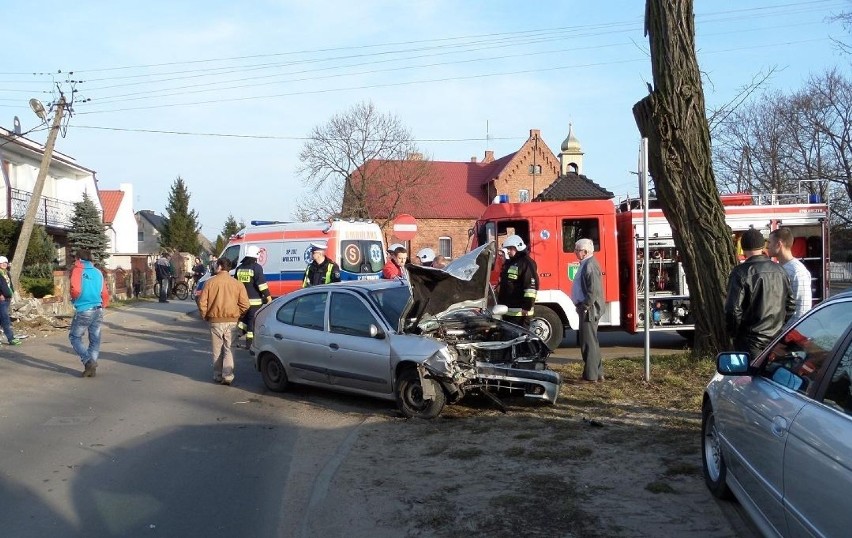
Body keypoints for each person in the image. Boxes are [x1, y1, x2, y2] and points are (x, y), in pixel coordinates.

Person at [725, 228, 795, 358]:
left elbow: (733, 310)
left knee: (749, 376)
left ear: (743, 247)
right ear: (763, 246)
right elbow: (790, 305)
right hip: (775, 339)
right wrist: (779, 327)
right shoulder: (780, 270)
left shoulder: (740, 272)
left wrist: (734, 333)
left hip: (750, 340)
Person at [198, 258, 249, 385]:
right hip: (232, 321)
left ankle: (218, 375)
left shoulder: (209, 283)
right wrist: (238, 315)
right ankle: (228, 375)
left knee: (217, 349)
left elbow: (202, 302)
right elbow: (245, 304)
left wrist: (205, 316)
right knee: (229, 348)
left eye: (216, 264)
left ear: (220, 266)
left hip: (215, 321)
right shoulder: (237, 284)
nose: (215, 266)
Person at [69, 249, 110, 378]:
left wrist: (75, 299)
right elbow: (104, 292)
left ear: (78, 259)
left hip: (84, 309)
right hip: (98, 308)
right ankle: (91, 368)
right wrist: (103, 304)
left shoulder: (77, 270)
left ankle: (88, 361)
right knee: (95, 339)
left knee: (75, 337)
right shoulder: (98, 272)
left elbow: (75, 289)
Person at [570, 238, 604, 382]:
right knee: (592, 342)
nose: (575, 252)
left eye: (577, 250)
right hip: (588, 309)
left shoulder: (589, 265)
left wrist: (585, 306)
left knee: (587, 343)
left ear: (584, 252)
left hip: (589, 310)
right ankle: (598, 373)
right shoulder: (587, 263)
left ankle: (590, 377)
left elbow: (593, 290)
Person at [767, 227, 812, 322]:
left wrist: (791, 333)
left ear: (779, 244)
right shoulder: (780, 267)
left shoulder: (797, 271)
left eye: (770, 242)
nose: (767, 246)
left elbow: (802, 307)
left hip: (792, 332)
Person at [497, 235, 538, 330]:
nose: (508, 251)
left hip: (520, 312)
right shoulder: (512, 262)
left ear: (517, 247)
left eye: (510, 249)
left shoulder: (527, 263)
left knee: (520, 341)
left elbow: (530, 287)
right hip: (509, 310)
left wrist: (527, 306)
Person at [235, 245, 272, 348]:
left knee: (243, 321)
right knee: (252, 322)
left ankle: (234, 336)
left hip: (241, 302)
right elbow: (262, 285)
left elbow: (236, 284)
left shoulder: (239, 268)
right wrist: (268, 297)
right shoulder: (256, 268)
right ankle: (249, 345)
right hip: (254, 302)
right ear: (256, 255)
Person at [0, 256, 21, 345]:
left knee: (1, 319)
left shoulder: (7, 273)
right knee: (5, 319)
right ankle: (11, 338)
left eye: (6, 262)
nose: (5, 264)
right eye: (2, 263)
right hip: (2, 299)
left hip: (7, 298)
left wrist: (11, 293)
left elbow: (9, 284)